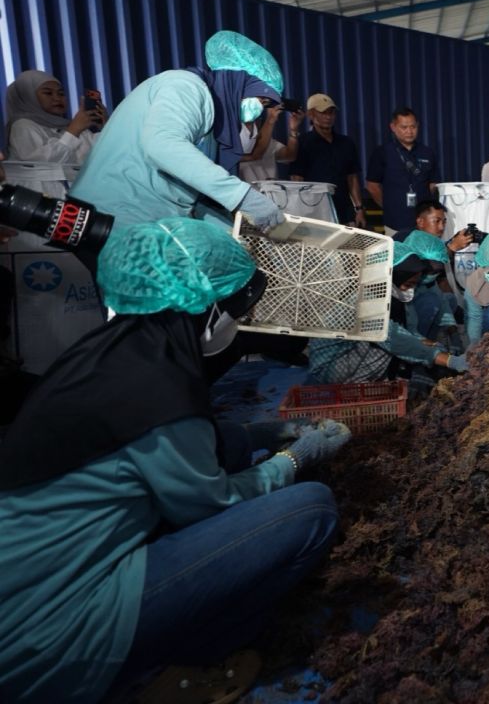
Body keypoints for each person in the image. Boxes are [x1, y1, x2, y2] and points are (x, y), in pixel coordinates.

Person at [0, 217, 347, 702]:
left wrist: (258, 434)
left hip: (21, 579)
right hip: (54, 626)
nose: (237, 319)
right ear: (203, 305)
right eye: (234, 306)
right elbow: (210, 503)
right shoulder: (161, 389)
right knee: (311, 508)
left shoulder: (108, 352)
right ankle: (189, 662)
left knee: (224, 446)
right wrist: (294, 457)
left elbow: (179, 443)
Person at [70, 31, 285, 232]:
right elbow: (163, 144)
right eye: (260, 99)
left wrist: (227, 230)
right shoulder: (184, 86)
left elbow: (193, 187)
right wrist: (241, 196)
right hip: (110, 214)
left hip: (144, 217)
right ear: (238, 83)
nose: (257, 111)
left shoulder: (211, 123)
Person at [307, 247, 466, 384]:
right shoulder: (362, 301)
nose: (410, 290)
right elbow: (394, 338)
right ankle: (358, 384)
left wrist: (431, 344)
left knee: (412, 345)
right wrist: (448, 360)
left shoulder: (394, 296)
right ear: (394, 276)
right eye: (408, 284)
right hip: (332, 365)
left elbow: (410, 330)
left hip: (355, 353)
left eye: (414, 284)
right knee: (387, 348)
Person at [290, 93, 367, 227]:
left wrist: (359, 209)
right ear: (311, 114)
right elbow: (297, 179)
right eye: (323, 112)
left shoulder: (346, 143)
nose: (328, 117)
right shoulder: (302, 143)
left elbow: (352, 178)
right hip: (314, 212)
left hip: (345, 211)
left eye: (331, 112)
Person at [365, 107, 440, 238]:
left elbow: (433, 184)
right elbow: (372, 185)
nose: (409, 131)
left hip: (424, 223)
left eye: (413, 127)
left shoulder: (427, 152)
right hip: (395, 221)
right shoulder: (383, 152)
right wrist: (388, 206)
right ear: (393, 127)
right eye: (404, 127)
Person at [5, 70, 106, 164]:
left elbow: (104, 154)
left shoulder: (71, 126)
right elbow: (42, 162)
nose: (57, 98)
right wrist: (73, 131)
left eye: (61, 93)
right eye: (48, 93)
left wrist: (108, 127)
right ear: (28, 97)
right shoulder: (22, 126)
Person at [238, 102, 302, 182]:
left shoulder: (268, 141)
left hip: (270, 193)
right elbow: (256, 154)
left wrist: (293, 130)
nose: (252, 125)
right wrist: (270, 119)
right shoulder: (235, 146)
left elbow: (289, 156)